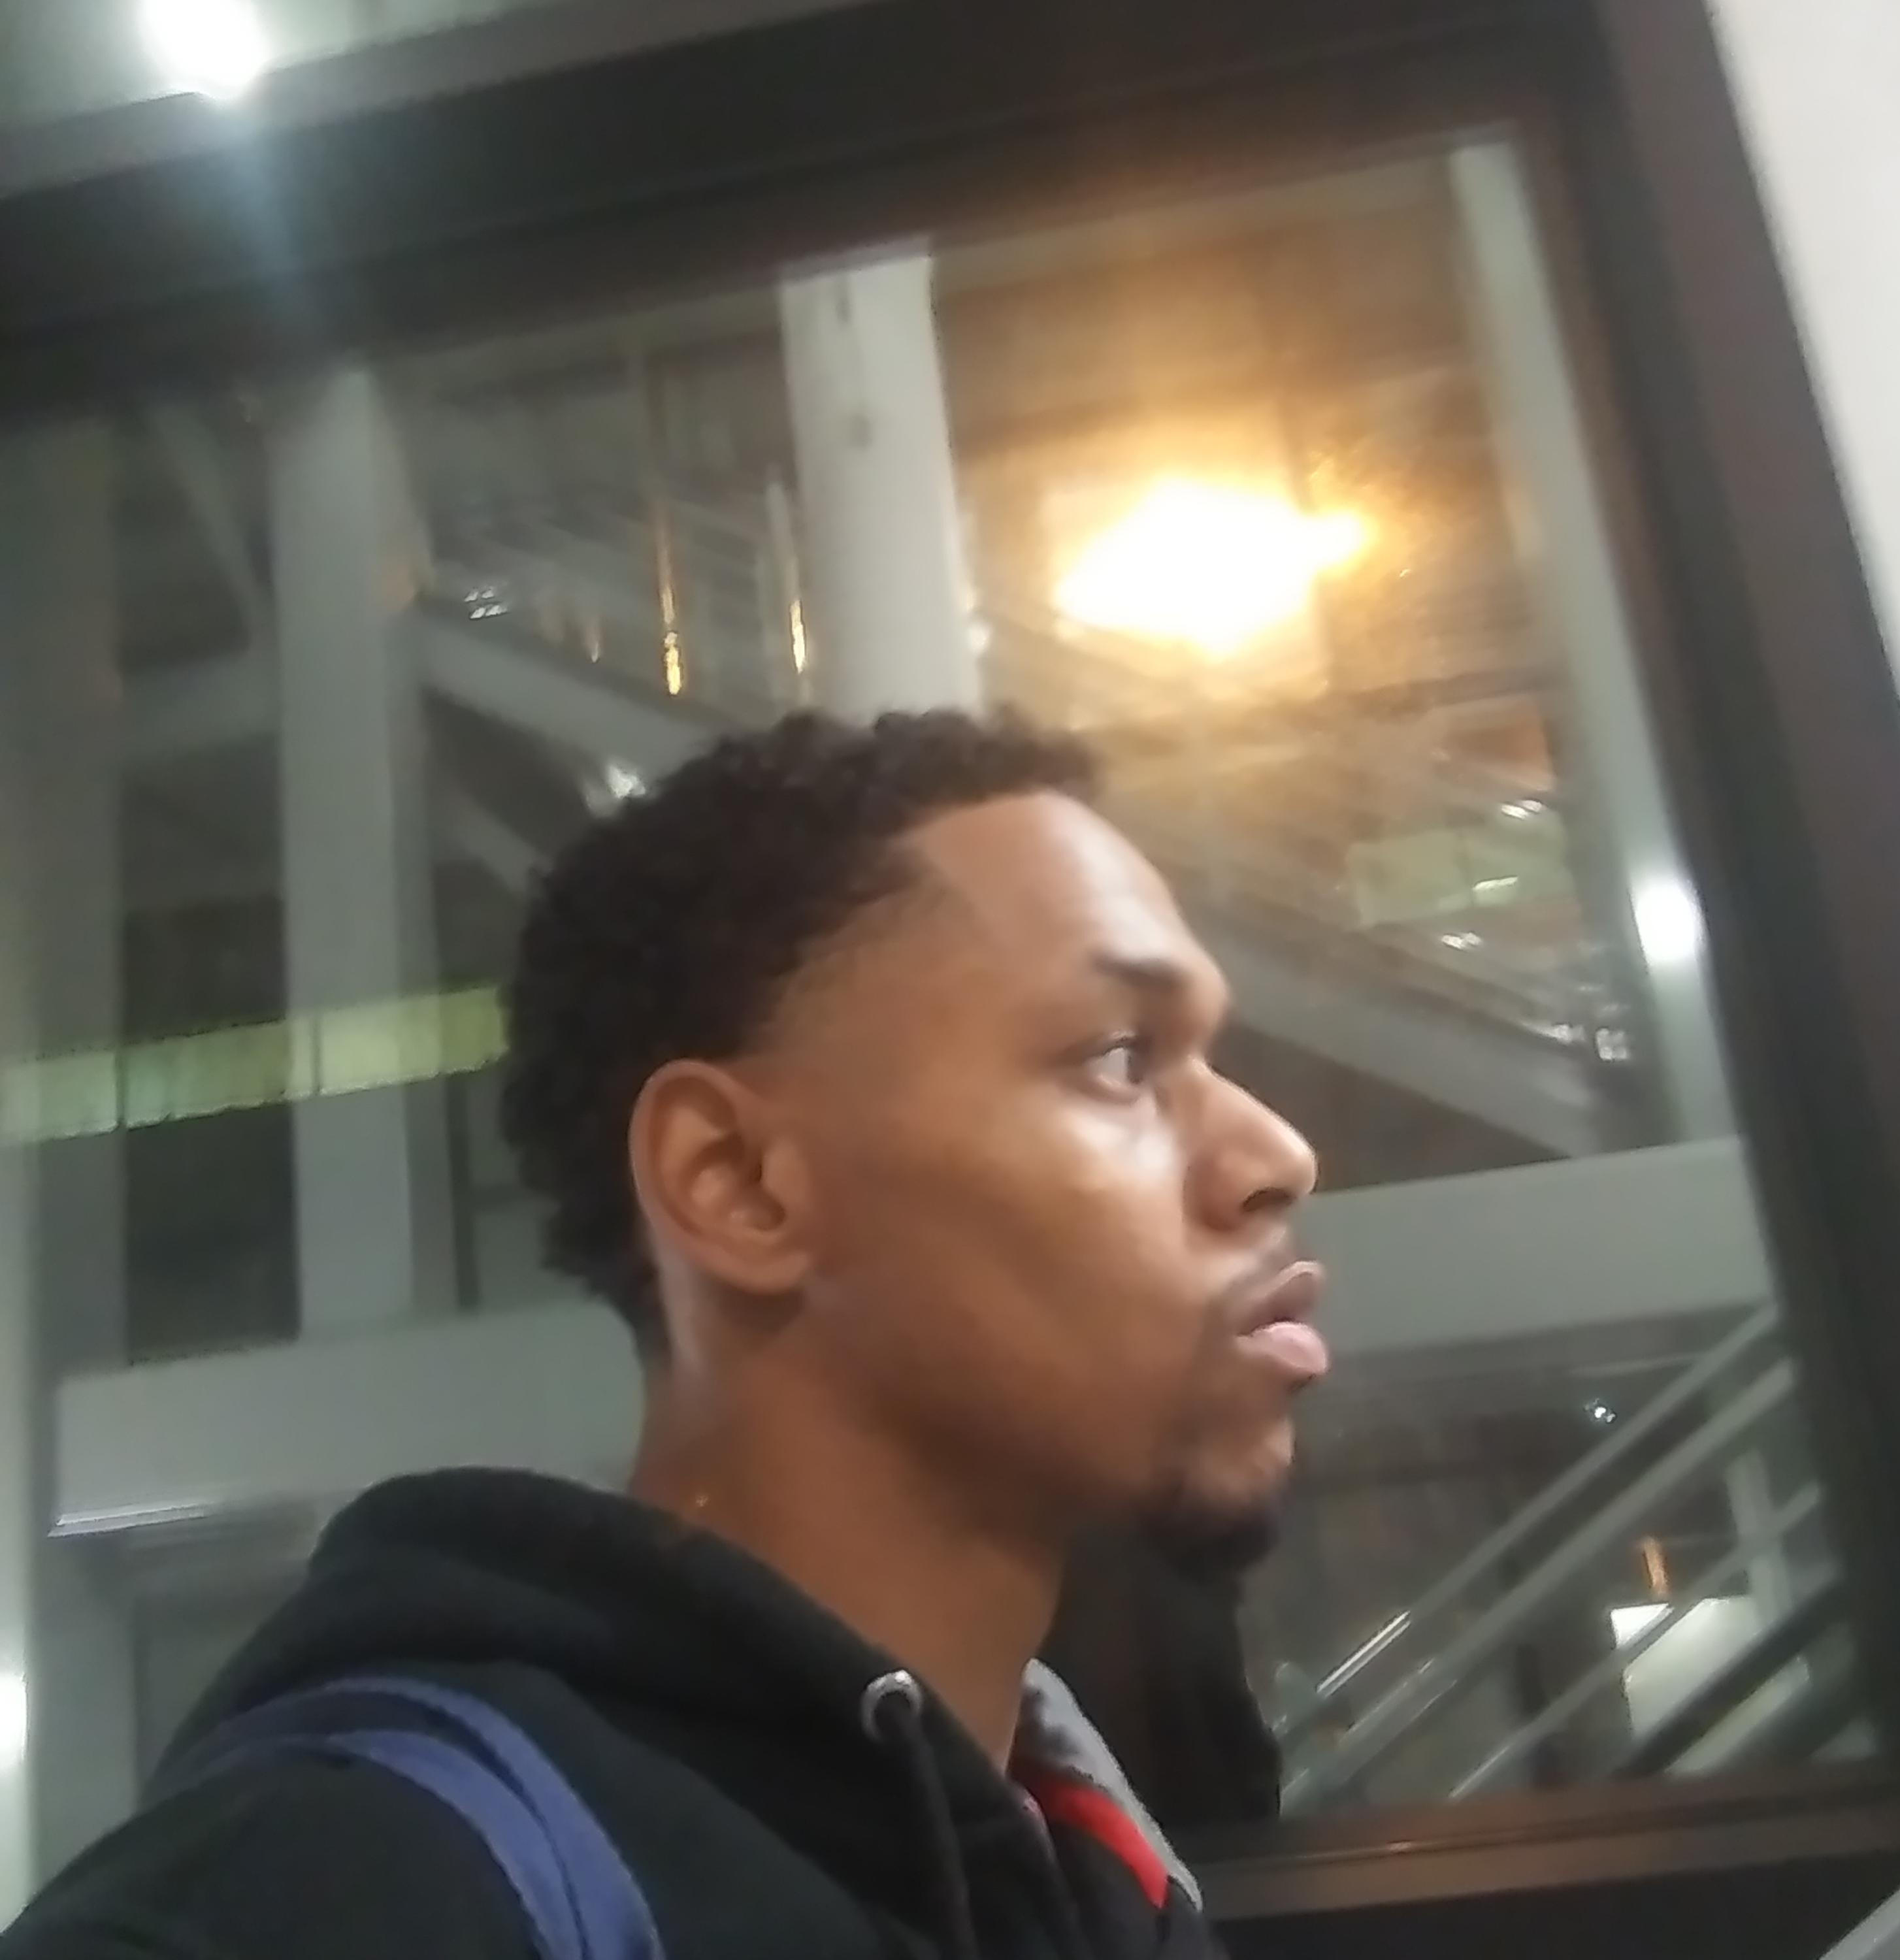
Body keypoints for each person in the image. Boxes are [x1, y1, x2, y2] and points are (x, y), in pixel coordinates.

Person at [3, 710, 1326, 1960]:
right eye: (1118, 1056)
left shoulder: (1095, 1885)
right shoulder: (344, 1888)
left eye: (1209, 1058)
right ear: (735, 1183)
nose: (1277, 1154)